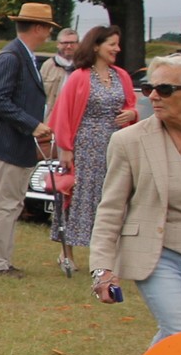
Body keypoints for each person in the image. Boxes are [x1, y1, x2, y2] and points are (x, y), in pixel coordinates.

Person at [91, 54, 181, 342]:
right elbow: (111, 208)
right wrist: (102, 269)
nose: (153, 96)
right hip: (157, 254)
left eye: (165, 89)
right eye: (148, 87)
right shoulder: (128, 141)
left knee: (175, 336)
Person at [0, 2, 59, 277]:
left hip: (19, 143)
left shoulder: (25, 56)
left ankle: (0, 259)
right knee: (4, 204)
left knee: (11, 204)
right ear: (38, 27)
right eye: (48, 28)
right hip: (9, 143)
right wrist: (32, 124)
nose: (49, 33)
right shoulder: (12, 57)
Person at [50, 26, 137, 277]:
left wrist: (132, 113)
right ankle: (67, 253)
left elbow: (130, 105)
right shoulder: (79, 76)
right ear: (96, 46)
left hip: (116, 146)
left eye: (118, 44)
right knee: (77, 197)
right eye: (112, 44)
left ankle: (110, 256)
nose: (117, 49)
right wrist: (65, 149)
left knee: (113, 197)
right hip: (85, 147)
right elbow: (63, 113)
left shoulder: (122, 76)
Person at [42, 28, 79, 117]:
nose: (69, 46)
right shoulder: (48, 66)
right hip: (51, 119)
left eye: (72, 43)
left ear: (78, 45)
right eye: (65, 43)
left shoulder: (84, 67)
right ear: (58, 44)